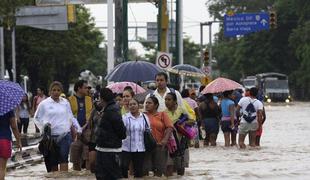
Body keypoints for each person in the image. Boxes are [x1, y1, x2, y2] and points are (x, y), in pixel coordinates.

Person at [34, 81, 82, 172]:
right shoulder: (44, 104)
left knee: (64, 159)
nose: (56, 92)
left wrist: (78, 128)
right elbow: (36, 118)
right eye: (54, 90)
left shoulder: (65, 102)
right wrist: (43, 127)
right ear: (50, 91)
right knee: (53, 163)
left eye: (58, 90)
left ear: (61, 91)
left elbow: (71, 117)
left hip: (65, 135)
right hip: (51, 138)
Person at [95, 88, 126, 180]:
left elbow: (122, 132)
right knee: (101, 175)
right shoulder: (108, 109)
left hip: (110, 151)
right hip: (103, 148)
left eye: (99, 97)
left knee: (112, 175)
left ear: (103, 99)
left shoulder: (111, 111)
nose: (98, 100)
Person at [164, 92, 195, 176]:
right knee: (169, 166)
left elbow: (192, 121)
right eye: (165, 100)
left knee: (181, 168)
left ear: (175, 101)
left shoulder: (182, 110)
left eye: (169, 99)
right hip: (170, 144)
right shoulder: (164, 113)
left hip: (182, 142)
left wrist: (184, 123)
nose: (166, 101)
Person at [143, 96, 173, 177]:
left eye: (149, 103)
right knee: (145, 172)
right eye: (146, 103)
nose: (147, 105)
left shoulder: (162, 114)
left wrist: (165, 140)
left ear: (156, 105)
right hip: (146, 147)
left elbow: (170, 127)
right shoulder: (143, 115)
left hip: (160, 146)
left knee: (159, 172)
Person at [121, 98, 150, 178]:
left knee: (138, 171)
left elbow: (148, 130)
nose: (132, 106)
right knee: (123, 167)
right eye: (130, 104)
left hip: (140, 148)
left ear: (138, 106)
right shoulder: (125, 117)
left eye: (134, 104)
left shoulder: (144, 117)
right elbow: (121, 131)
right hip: (126, 147)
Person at [68, 80, 93, 171]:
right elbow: (68, 116)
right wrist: (74, 130)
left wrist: (86, 125)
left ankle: (87, 175)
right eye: (85, 87)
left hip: (87, 130)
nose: (87, 89)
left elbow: (92, 114)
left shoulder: (89, 99)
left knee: (88, 157)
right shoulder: (70, 100)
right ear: (79, 88)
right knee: (76, 157)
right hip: (75, 131)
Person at [0, 111, 22, 180]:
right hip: (4, 139)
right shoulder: (8, 108)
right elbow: (14, 127)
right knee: (1, 168)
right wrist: (18, 141)